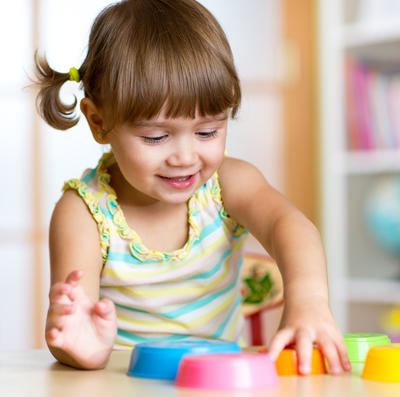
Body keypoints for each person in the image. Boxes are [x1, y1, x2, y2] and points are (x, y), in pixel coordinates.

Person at [34, 0, 351, 373]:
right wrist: (81, 348)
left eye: (207, 131)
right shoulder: (84, 212)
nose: (185, 157)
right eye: (155, 137)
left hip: (220, 382)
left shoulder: (228, 183)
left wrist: (309, 298)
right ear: (98, 121)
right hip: (124, 386)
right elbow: (75, 330)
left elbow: (291, 226)